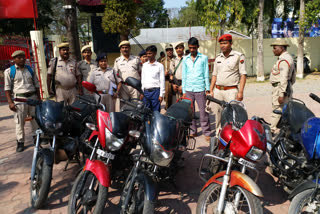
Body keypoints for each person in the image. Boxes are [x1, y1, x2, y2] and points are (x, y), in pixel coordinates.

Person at [209, 34, 247, 136]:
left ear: (231, 43)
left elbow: (243, 74)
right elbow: (214, 75)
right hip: (218, 91)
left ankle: (232, 136)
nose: (223, 45)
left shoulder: (238, 56)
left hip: (231, 91)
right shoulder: (218, 58)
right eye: (221, 43)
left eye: (225, 43)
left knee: (232, 116)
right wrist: (211, 90)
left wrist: (241, 92)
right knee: (218, 115)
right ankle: (218, 135)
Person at [4, 50, 40, 152]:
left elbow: (36, 85)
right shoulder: (9, 71)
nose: (22, 59)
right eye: (19, 57)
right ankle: (20, 142)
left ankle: (37, 138)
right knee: (19, 122)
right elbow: (7, 89)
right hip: (19, 100)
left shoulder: (30, 70)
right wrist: (10, 102)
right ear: (14, 59)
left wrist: (39, 99)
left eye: (23, 57)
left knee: (35, 120)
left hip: (32, 98)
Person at [182, 37, 211, 141]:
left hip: (200, 89)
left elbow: (206, 74)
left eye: (194, 47)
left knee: (203, 112)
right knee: (190, 112)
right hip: (189, 89)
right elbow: (184, 75)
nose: (192, 50)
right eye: (190, 48)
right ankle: (193, 131)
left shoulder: (203, 58)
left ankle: (206, 132)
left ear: (198, 47)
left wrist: (207, 88)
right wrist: (184, 91)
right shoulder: (185, 59)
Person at [270, 39, 296, 134]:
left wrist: (281, 93)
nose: (273, 50)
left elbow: (284, 78)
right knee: (286, 110)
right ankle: (286, 131)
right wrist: (288, 88)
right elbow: (293, 77)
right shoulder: (289, 58)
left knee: (277, 109)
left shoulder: (284, 60)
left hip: (280, 88)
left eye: (275, 48)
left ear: (281, 48)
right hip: (285, 87)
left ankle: (272, 131)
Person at [113, 40, 141, 107]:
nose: (125, 49)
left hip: (135, 88)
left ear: (130, 48)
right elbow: (115, 75)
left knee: (136, 106)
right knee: (124, 107)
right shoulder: (117, 61)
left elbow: (141, 72)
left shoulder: (136, 59)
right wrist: (117, 89)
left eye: (126, 47)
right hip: (123, 88)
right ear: (120, 49)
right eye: (123, 48)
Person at [140, 45, 165, 112]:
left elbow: (162, 81)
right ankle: (147, 123)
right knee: (145, 112)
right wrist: (142, 92)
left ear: (155, 53)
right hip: (146, 92)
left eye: (150, 53)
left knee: (156, 112)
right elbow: (143, 79)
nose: (148, 55)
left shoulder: (160, 66)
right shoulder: (144, 65)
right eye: (147, 53)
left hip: (155, 92)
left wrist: (161, 94)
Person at [161, 44, 176, 109]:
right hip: (167, 81)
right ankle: (168, 110)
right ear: (166, 51)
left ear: (172, 50)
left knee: (176, 98)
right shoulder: (163, 61)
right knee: (167, 98)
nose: (169, 51)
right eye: (167, 50)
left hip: (175, 81)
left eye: (170, 50)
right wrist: (164, 73)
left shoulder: (176, 59)